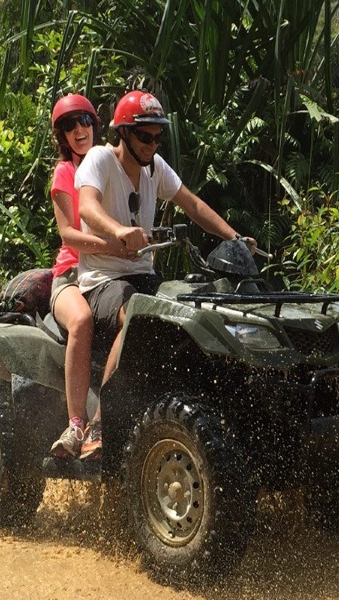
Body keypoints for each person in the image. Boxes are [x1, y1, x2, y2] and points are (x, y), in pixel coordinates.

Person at [74, 90, 258, 443]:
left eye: (158, 136)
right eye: (145, 136)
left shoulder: (154, 167)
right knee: (136, 315)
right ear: (123, 133)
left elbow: (192, 205)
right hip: (103, 279)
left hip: (144, 276)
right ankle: (100, 421)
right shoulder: (99, 158)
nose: (152, 144)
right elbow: (86, 207)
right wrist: (119, 231)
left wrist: (234, 237)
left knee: (192, 316)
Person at [46, 94, 136, 460]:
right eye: (69, 126)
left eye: (83, 120)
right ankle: (77, 425)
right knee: (82, 319)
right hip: (70, 273)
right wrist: (114, 244)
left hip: (112, 270)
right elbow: (67, 234)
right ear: (61, 136)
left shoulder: (116, 165)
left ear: (95, 124)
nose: (78, 130)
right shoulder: (65, 172)